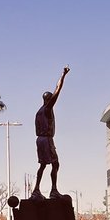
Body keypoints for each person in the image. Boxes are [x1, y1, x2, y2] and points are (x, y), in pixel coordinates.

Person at [30, 67, 70, 200]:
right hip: (46, 139)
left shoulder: (39, 111)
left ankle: (37, 190)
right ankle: (53, 190)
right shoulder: (47, 109)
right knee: (55, 163)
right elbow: (58, 89)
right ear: (48, 100)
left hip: (40, 139)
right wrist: (63, 75)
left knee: (43, 165)